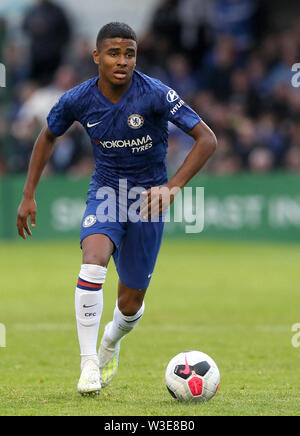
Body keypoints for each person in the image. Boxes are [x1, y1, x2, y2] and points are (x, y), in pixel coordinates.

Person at [17, 22, 217, 396]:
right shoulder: (78, 98)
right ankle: (89, 362)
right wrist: (29, 194)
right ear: (97, 57)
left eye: (129, 54)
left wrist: (173, 187)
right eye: (113, 53)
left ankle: (111, 339)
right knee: (93, 259)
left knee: (130, 303)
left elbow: (207, 138)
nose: (122, 61)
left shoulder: (155, 93)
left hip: (147, 201)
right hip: (106, 192)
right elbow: (47, 137)